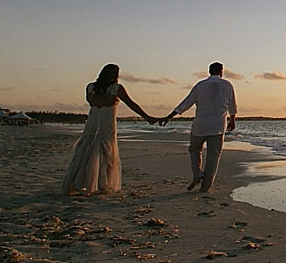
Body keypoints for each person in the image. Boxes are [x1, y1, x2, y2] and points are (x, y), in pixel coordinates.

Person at [61, 63, 155, 195]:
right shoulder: (116, 88)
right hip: (107, 124)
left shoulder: (90, 87)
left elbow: (90, 102)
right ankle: (101, 184)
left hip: (92, 123)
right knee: (106, 153)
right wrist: (147, 117)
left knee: (85, 152)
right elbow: (131, 104)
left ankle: (80, 182)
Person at [159, 62, 237, 193]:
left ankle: (197, 173)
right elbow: (232, 105)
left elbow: (186, 103)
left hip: (200, 124)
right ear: (221, 72)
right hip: (218, 126)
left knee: (195, 149)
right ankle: (206, 187)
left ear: (209, 71)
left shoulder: (201, 85)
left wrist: (170, 116)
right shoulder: (227, 85)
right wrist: (232, 119)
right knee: (213, 156)